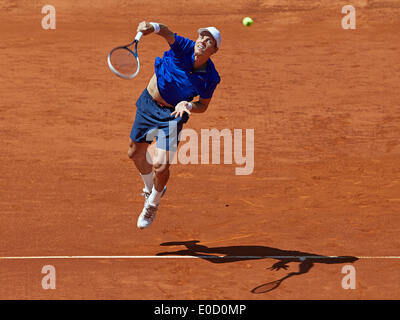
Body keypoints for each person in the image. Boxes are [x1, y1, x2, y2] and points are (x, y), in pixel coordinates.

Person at [128, 21, 221, 229]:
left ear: (214, 50)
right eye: (202, 37)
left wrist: (187, 104)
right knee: (135, 153)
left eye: (209, 41)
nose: (202, 41)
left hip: (172, 115)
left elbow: (202, 106)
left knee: (161, 166)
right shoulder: (185, 46)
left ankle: (153, 202)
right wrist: (151, 26)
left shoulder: (210, 78)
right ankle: (149, 188)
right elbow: (167, 32)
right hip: (148, 104)